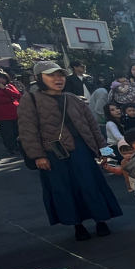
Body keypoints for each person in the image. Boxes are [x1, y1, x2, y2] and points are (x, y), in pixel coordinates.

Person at [16, 61, 121, 241]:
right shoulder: (31, 99)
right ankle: (77, 225)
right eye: (51, 75)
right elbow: (27, 130)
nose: (58, 79)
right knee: (64, 189)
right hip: (52, 153)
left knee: (90, 185)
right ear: (39, 78)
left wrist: (103, 150)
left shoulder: (72, 98)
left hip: (81, 150)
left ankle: (101, 220)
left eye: (60, 75)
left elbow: (92, 126)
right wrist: (38, 156)